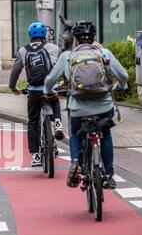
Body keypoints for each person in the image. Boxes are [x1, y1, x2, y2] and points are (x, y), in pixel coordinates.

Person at [44, 21, 129, 189]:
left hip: (78, 108)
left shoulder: (67, 57)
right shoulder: (104, 53)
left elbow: (49, 81)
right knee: (105, 135)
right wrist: (119, 86)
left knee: (75, 133)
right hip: (104, 106)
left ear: (75, 39)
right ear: (94, 38)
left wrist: (49, 92)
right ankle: (109, 175)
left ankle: (76, 162)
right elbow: (124, 76)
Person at [9, 21, 65, 167]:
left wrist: (13, 86)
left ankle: (35, 156)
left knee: (33, 122)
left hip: (33, 91)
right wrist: (63, 81)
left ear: (30, 36)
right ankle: (57, 122)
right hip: (50, 87)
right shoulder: (54, 48)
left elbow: (16, 70)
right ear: (45, 34)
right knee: (54, 97)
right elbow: (62, 66)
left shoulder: (23, 50)